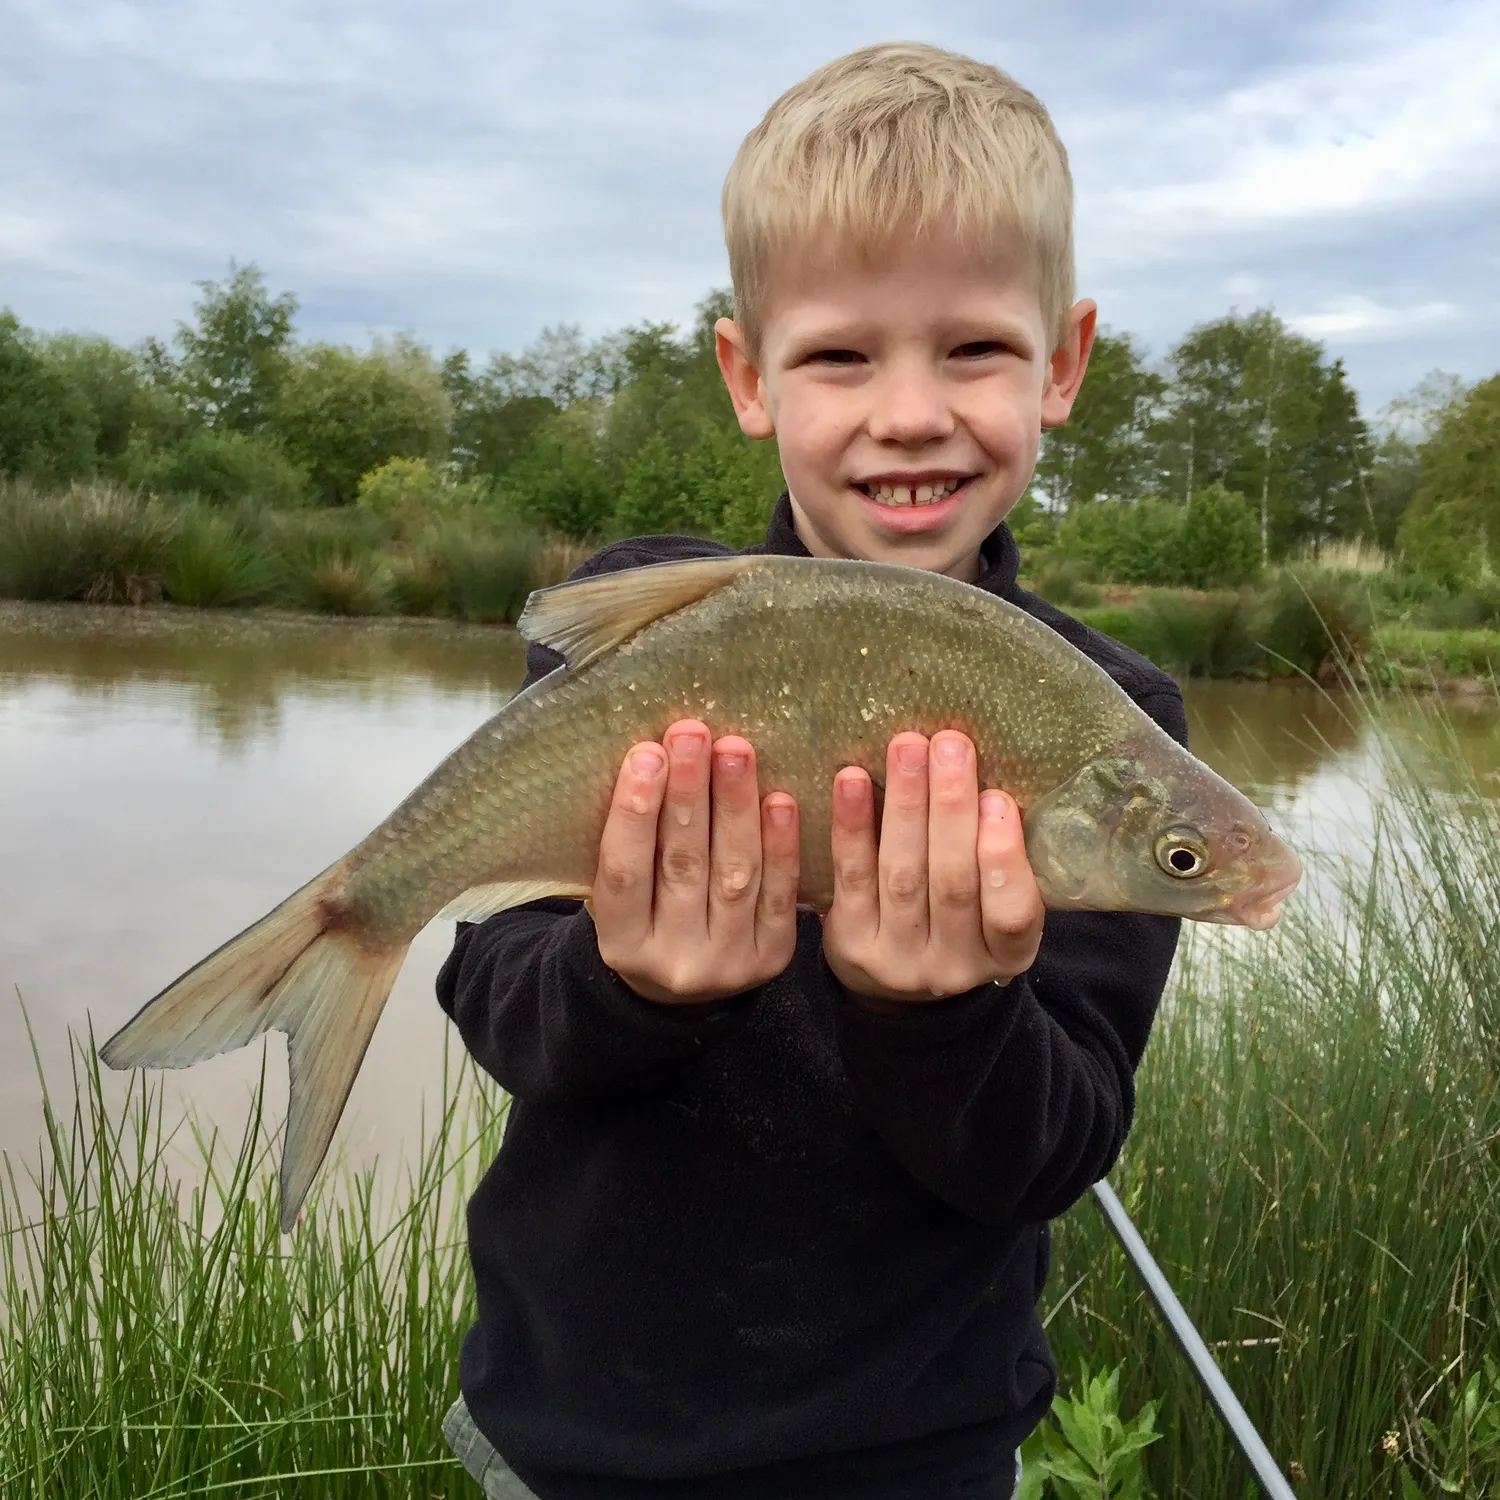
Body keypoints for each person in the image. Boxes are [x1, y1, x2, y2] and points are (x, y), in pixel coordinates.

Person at [438, 41, 1185, 1500]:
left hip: (918, 1455)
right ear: (749, 375)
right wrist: (632, 986)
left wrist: (945, 1018)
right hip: (576, 1432)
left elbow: (1056, 1150)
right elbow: (493, 994)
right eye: (842, 355)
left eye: (973, 349)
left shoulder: (1112, 722)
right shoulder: (651, 624)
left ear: (1062, 363)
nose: (910, 412)